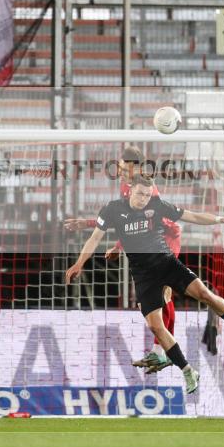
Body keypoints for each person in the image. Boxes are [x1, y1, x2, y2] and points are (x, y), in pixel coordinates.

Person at [66, 175, 224, 395]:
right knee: (155, 326)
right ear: (130, 190)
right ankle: (188, 370)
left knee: (205, 294)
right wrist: (79, 263)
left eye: (147, 195)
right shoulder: (112, 209)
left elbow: (192, 216)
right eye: (140, 193)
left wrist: (220, 219)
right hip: (143, 275)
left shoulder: (157, 205)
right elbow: (94, 238)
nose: (143, 199)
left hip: (166, 263)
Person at [63, 146, 179, 373]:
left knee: (163, 295)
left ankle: (162, 353)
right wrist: (90, 224)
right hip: (147, 241)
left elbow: (142, 225)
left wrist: (118, 244)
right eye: (121, 167)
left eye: (126, 169)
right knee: (156, 300)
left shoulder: (149, 191)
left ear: (138, 168)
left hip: (165, 239)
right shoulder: (125, 185)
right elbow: (123, 218)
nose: (122, 171)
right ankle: (159, 352)